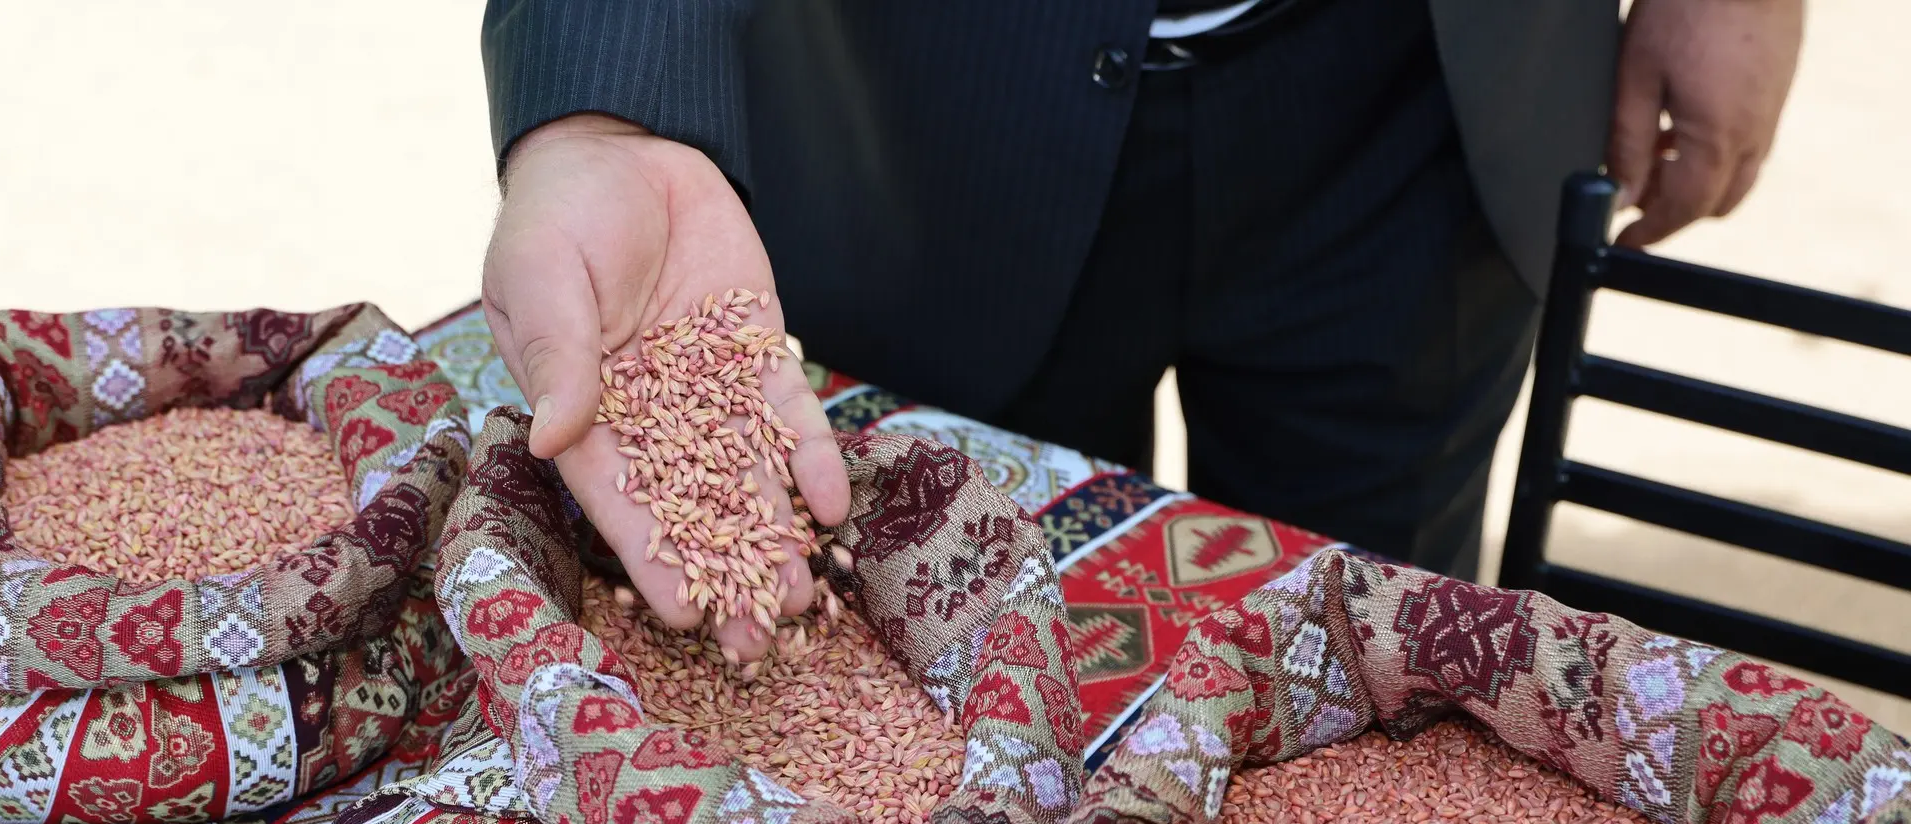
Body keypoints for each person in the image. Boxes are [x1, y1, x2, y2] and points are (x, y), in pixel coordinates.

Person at [479, 0, 1802, 660]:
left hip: (1415, 97)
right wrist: (603, 112)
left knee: (1367, 682)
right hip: (920, 118)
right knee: (942, 666)